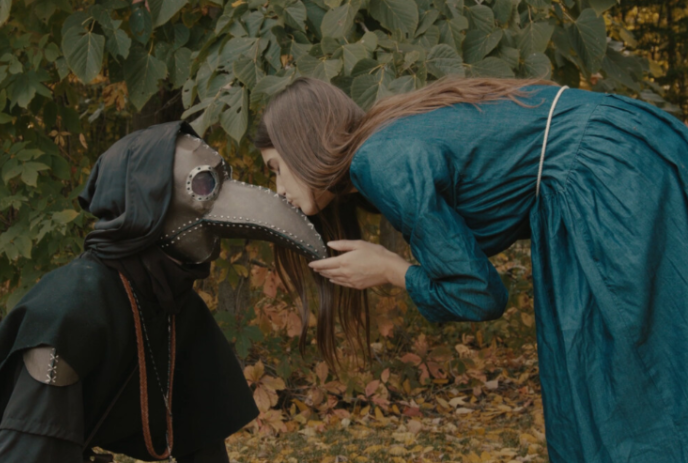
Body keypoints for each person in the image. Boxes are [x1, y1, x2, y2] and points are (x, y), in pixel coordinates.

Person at [253, 76, 688, 462]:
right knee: (621, 376)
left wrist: (392, 270)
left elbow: (480, 294)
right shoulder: (381, 147)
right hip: (613, 153)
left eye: (276, 169)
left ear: (302, 144)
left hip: (609, 171)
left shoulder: (378, 160)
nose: (279, 189)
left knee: (640, 379)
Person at [0, 120, 326, 462]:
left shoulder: (173, 304)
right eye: (201, 184)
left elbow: (204, 446)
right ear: (148, 204)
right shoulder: (69, 311)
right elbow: (32, 451)